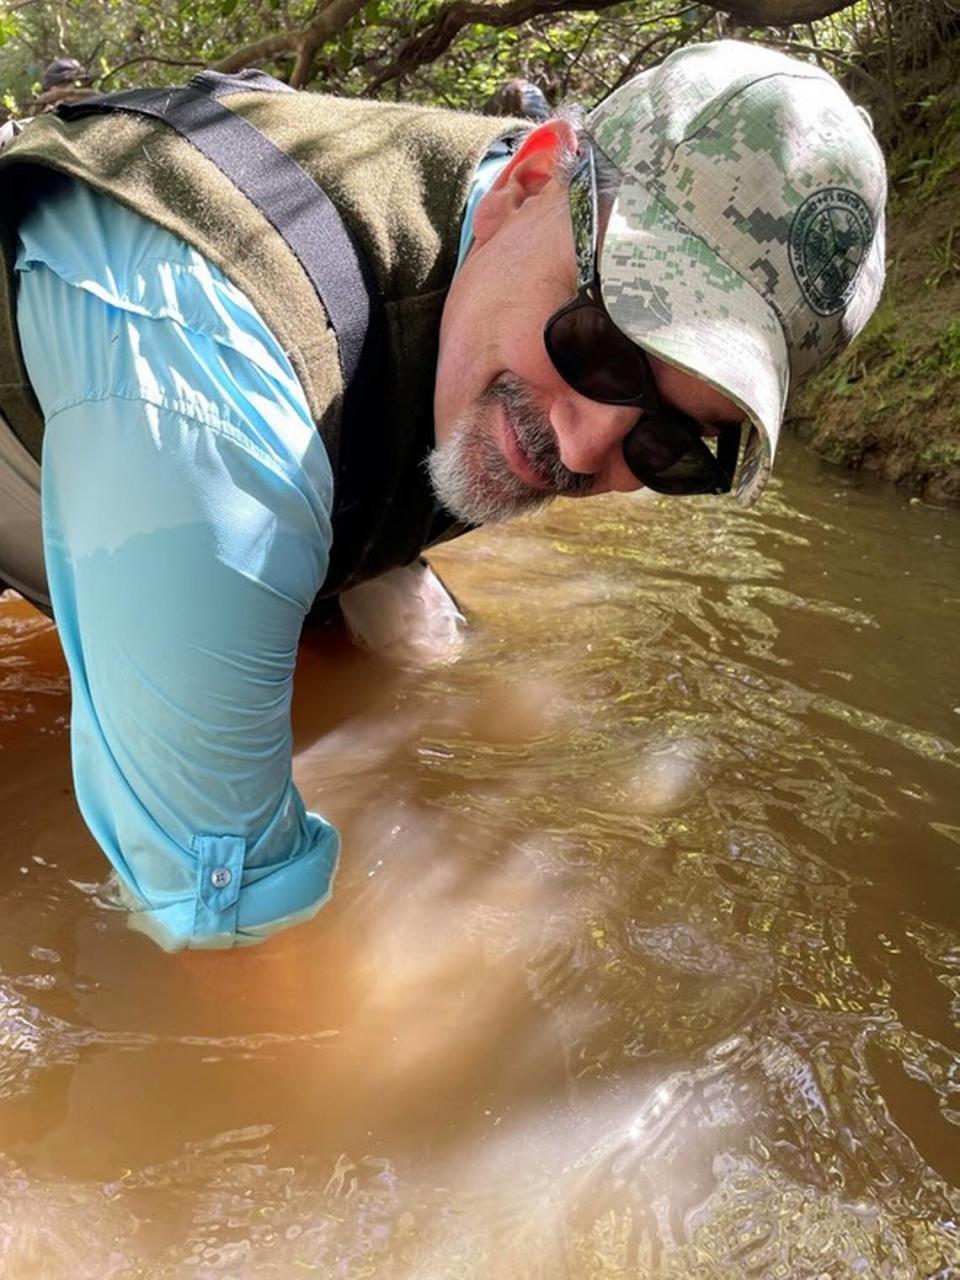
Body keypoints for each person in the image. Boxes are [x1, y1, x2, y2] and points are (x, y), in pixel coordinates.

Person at [0, 40, 887, 950]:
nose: (586, 445)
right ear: (533, 177)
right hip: (120, 421)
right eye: (603, 345)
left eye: (668, 442)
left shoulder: (506, 272)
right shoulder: (216, 393)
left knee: (435, 657)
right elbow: (214, 934)